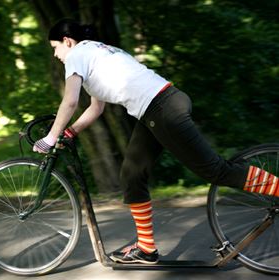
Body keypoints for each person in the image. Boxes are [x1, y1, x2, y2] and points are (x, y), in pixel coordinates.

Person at [32, 18, 279, 264]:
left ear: (67, 41)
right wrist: (70, 132)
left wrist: (50, 137)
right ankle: (146, 249)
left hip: (162, 110)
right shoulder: (97, 52)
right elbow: (96, 108)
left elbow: (70, 101)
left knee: (215, 170)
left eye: (55, 47)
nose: (55, 54)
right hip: (157, 108)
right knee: (132, 174)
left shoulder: (77, 54)